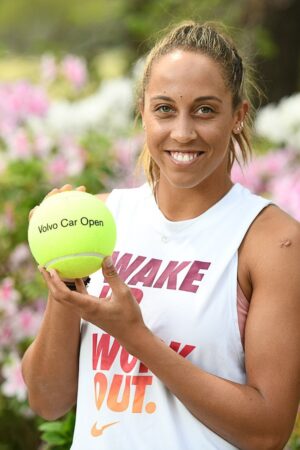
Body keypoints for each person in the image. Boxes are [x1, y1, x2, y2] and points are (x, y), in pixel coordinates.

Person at [21, 21, 300, 450]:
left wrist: (137, 338)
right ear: (143, 110)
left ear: (238, 116)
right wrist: (66, 287)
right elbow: (47, 401)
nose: (183, 132)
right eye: (165, 108)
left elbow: (267, 432)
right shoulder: (98, 223)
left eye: (205, 109)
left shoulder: (272, 241)